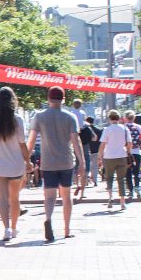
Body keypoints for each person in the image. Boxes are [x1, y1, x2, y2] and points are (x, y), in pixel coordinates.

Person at [26, 86, 85, 243]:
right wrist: (82, 162)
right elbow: (76, 141)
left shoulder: (39, 117)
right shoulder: (70, 117)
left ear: (48, 98)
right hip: (66, 161)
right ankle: (66, 230)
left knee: (50, 196)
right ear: (63, 99)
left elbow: (31, 141)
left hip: (48, 162)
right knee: (66, 196)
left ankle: (48, 219)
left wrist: (26, 159)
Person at [0, 87, 31, 242]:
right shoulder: (17, 119)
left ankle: (6, 230)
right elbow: (22, 144)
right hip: (15, 164)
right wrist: (28, 161)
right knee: (14, 198)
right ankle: (15, 227)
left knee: (2, 199)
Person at [97, 109, 132, 210]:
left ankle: (110, 197)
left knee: (109, 178)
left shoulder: (107, 129)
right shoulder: (125, 129)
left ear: (109, 118)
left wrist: (99, 157)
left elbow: (102, 145)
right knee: (121, 179)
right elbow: (129, 143)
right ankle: (122, 202)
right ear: (119, 118)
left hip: (109, 157)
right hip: (122, 156)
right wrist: (127, 151)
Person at [123, 110, 141, 200]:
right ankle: (137, 187)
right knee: (136, 172)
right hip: (137, 153)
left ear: (125, 118)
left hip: (126, 153)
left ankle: (130, 191)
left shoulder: (123, 127)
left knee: (128, 173)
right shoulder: (139, 127)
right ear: (134, 118)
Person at [74, 112, 96, 201]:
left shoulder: (73, 126)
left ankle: (77, 184)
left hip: (75, 150)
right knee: (85, 171)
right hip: (85, 151)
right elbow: (95, 137)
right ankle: (82, 193)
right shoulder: (87, 127)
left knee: (75, 169)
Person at [85, 116, 102, 187]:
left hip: (87, 150)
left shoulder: (85, 130)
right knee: (95, 166)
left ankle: (86, 180)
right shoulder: (98, 130)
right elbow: (101, 141)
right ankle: (95, 181)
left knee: (86, 166)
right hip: (96, 150)